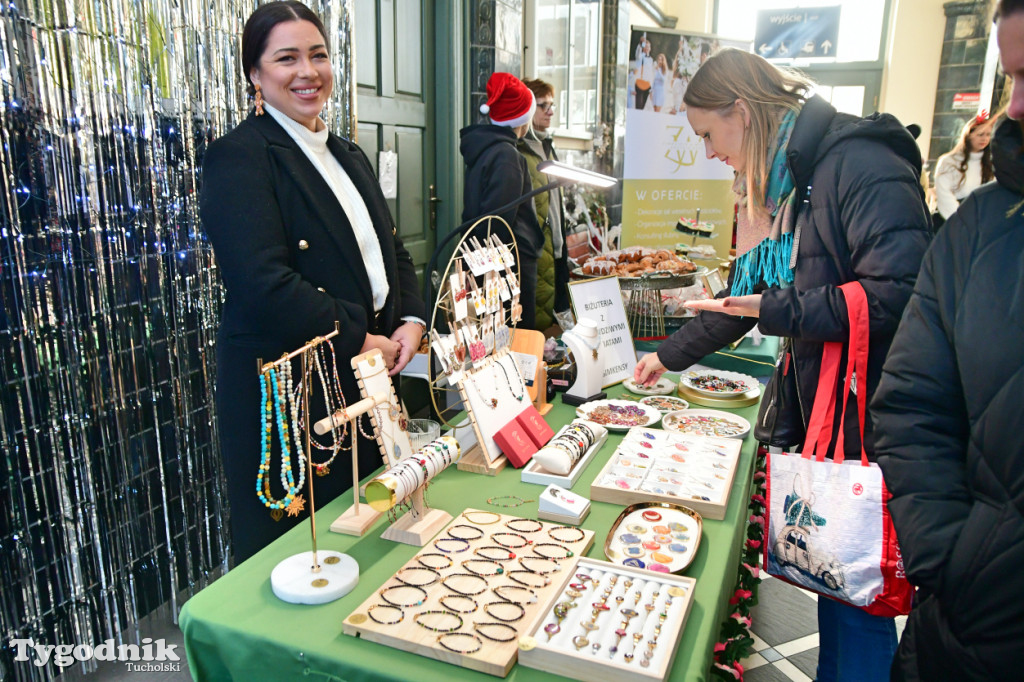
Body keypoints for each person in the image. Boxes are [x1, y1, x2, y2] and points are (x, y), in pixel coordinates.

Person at [632, 48, 931, 681]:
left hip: (864, 413)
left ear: (742, 111)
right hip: (828, 410)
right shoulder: (793, 181)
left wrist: (783, 309)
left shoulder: (856, 164)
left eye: (710, 135)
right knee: (835, 580)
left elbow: (901, 293)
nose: (711, 153)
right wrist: (668, 355)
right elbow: (746, 295)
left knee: (856, 594)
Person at [200, 0, 425, 563]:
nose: (308, 72)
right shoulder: (240, 157)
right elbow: (263, 284)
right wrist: (358, 336)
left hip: (364, 368)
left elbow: (390, 248)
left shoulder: (347, 152)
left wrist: (412, 320)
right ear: (255, 73)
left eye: (318, 55)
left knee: (368, 525)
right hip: (289, 383)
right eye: (287, 58)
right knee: (299, 548)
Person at [872, 1, 1024, 679]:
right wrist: (953, 558)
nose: (1015, 107)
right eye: (1011, 79)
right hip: (969, 621)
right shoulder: (977, 233)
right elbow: (911, 402)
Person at [460, 72, 543, 330]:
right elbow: (498, 223)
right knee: (512, 342)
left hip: (490, 267)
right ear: (523, 119)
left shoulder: (490, 149)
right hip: (506, 272)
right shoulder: (506, 156)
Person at [518, 78, 570, 332]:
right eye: (543, 105)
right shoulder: (520, 151)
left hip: (557, 247)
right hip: (537, 251)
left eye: (552, 105)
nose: (550, 111)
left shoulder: (546, 146)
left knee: (554, 319)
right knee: (537, 325)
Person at [932, 111, 995, 223]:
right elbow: (944, 193)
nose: (984, 139)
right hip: (952, 219)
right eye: (980, 134)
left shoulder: (991, 163)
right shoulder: (949, 161)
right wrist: (961, 219)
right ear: (968, 135)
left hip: (979, 220)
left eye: (988, 134)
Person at [633, 41, 654, 110]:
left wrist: (651, 87)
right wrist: (641, 44)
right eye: (646, 46)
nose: (647, 48)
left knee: (643, 106)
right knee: (639, 105)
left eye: (648, 47)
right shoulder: (640, 56)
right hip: (639, 83)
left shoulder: (651, 59)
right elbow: (638, 53)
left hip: (647, 84)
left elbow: (650, 73)